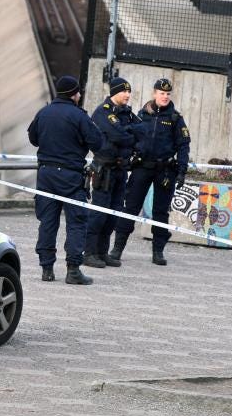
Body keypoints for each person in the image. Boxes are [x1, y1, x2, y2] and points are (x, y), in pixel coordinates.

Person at [28, 75, 104, 285]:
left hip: (46, 175)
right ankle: (73, 270)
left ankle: (47, 269)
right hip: (70, 176)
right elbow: (97, 142)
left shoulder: (43, 112)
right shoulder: (79, 116)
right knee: (77, 222)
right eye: (78, 92)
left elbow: (33, 139)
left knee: (47, 221)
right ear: (74, 94)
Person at [109, 78, 191, 265]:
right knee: (130, 208)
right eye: (162, 93)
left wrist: (182, 171)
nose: (165, 97)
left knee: (160, 212)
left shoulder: (175, 119)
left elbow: (183, 145)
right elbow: (130, 137)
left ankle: (158, 251)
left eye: (168, 94)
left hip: (165, 170)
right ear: (154, 93)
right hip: (142, 167)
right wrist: (127, 158)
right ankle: (117, 248)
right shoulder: (142, 114)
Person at [83, 77, 138, 269]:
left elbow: (141, 133)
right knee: (99, 213)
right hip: (105, 169)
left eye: (129, 91)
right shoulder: (103, 112)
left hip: (120, 170)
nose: (127, 95)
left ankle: (102, 252)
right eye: (124, 91)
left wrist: (129, 133)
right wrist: (130, 134)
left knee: (114, 213)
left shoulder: (126, 113)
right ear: (115, 92)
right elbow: (118, 135)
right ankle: (89, 252)